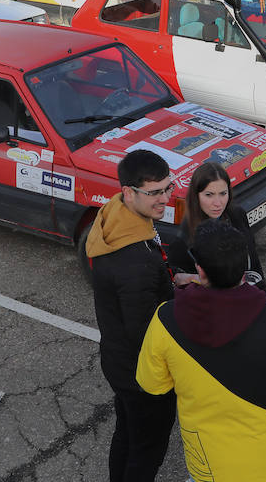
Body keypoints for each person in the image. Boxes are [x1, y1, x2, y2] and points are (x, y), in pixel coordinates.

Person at [138, 219, 266, 482]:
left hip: (207, 466)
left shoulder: (165, 318)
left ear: (200, 270)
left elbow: (153, 385)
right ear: (244, 267)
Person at [87, 149, 177, 482]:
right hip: (142, 374)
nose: (164, 199)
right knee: (147, 450)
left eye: (167, 188)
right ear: (129, 192)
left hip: (118, 361)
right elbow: (145, 332)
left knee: (127, 434)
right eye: (154, 193)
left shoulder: (114, 215)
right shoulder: (135, 260)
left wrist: (169, 278)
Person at [166, 162, 266, 292]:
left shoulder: (237, 215)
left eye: (223, 193)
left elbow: (253, 259)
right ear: (196, 196)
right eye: (209, 195)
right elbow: (183, 289)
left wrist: (261, 290)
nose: (218, 203)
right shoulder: (182, 241)